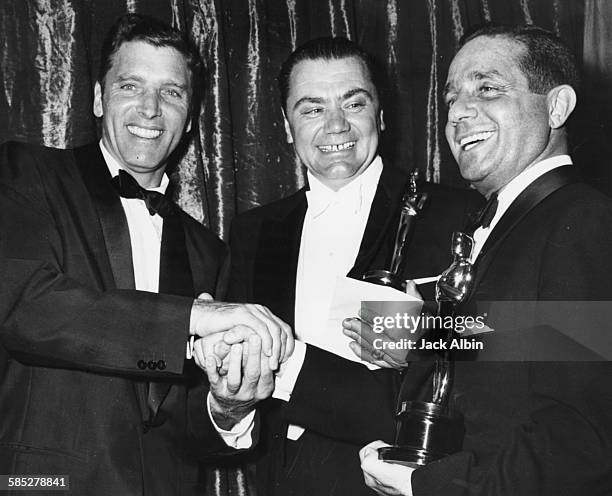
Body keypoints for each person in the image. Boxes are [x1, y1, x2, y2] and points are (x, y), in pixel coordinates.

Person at [0, 14, 291, 496]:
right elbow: (25, 308)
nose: (151, 109)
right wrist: (193, 316)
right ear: (98, 98)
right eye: (131, 86)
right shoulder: (25, 174)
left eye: (172, 92)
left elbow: (181, 416)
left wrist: (228, 407)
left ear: (192, 117)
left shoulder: (209, 251)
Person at [358, 24, 612, 495]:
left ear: (556, 107)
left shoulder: (583, 219)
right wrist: (422, 334)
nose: (458, 113)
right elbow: (509, 355)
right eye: (451, 98)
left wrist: (428, 487)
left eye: (488, 89)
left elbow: (583, 439)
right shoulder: (504, 223)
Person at [224, 37, 482, 496]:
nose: (336, 125)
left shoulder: (457, 212)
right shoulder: (253, 231)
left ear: (380, 115)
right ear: (287, 127)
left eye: (353, 102)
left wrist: (427, 337)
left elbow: (517, 342)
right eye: (312, 109)